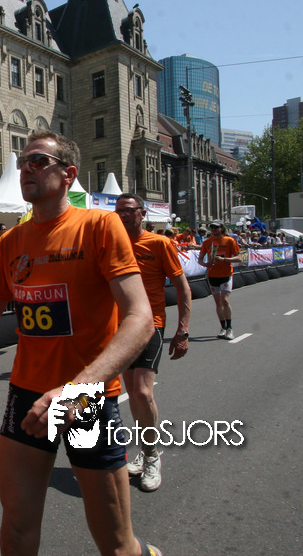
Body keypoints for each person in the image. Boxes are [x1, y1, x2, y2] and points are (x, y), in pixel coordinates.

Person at [0, 131, 160, 556]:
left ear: (69, 175)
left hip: (87, 399)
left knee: (115, 544)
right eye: (23, 160)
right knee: (15, 531)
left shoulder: (99, 226)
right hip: (27, 396)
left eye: (39, 161)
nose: (26, 168)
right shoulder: (11, 243)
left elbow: (140, 320)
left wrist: (78, 390)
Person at [115, 193, 191, 492]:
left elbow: (182, 287)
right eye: (118, 211)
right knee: (133, 394)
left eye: (128, 210)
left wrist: (183, 331)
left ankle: (152, 456)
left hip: (150, 324)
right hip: (120, 327)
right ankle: (146, 450)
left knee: (143, 392)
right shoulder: (113, 244)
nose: (123, 215)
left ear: (142, 213)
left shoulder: (159, 243)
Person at [199, 220, 241, 340]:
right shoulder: (207, 242)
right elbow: (200, 259)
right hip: (212, 275)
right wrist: (205, 264)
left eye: (216, 228)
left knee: (225, 301)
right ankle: (223, 327)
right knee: (218, 303)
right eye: (212, 228)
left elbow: (239, 258)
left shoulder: (229, 240)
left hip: (226, 274)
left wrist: (224, 260)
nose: (214, 230)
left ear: (221, 228)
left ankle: (230, 328)